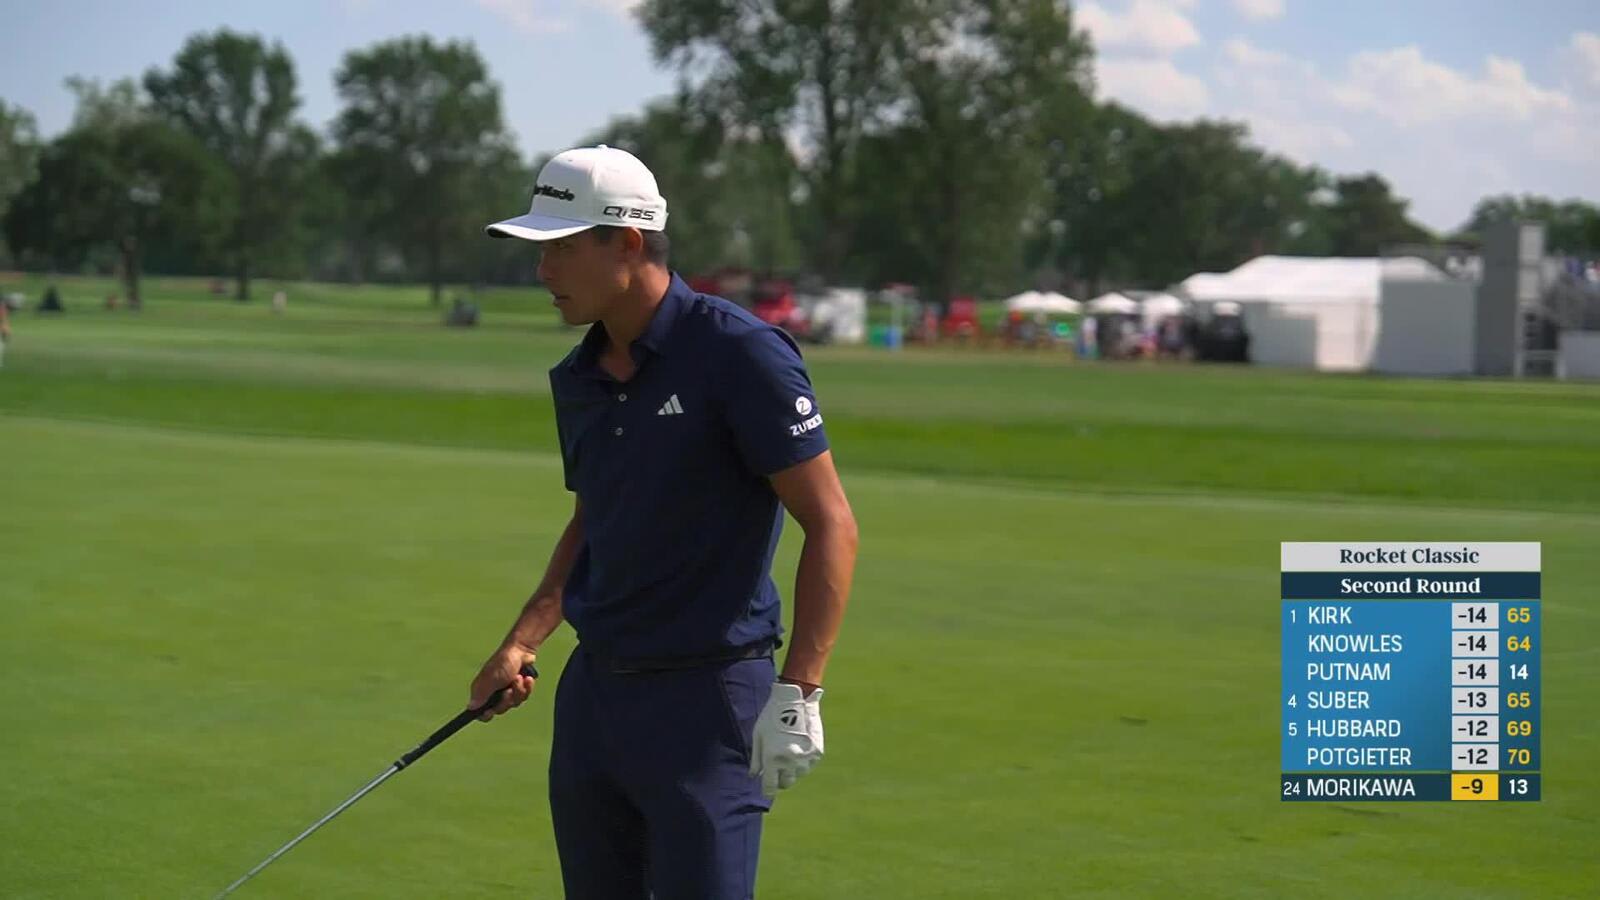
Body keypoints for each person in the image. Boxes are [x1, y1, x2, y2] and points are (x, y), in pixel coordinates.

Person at [470, 145, 859, 900]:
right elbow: (595, 519)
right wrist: (522, 640)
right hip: (594, 701)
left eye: (560, 249)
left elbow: (831, 522)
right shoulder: (578, 375)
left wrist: (800, 691)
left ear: (627, 243)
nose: (542, 271)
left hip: (707, 704)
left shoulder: (739, 353)